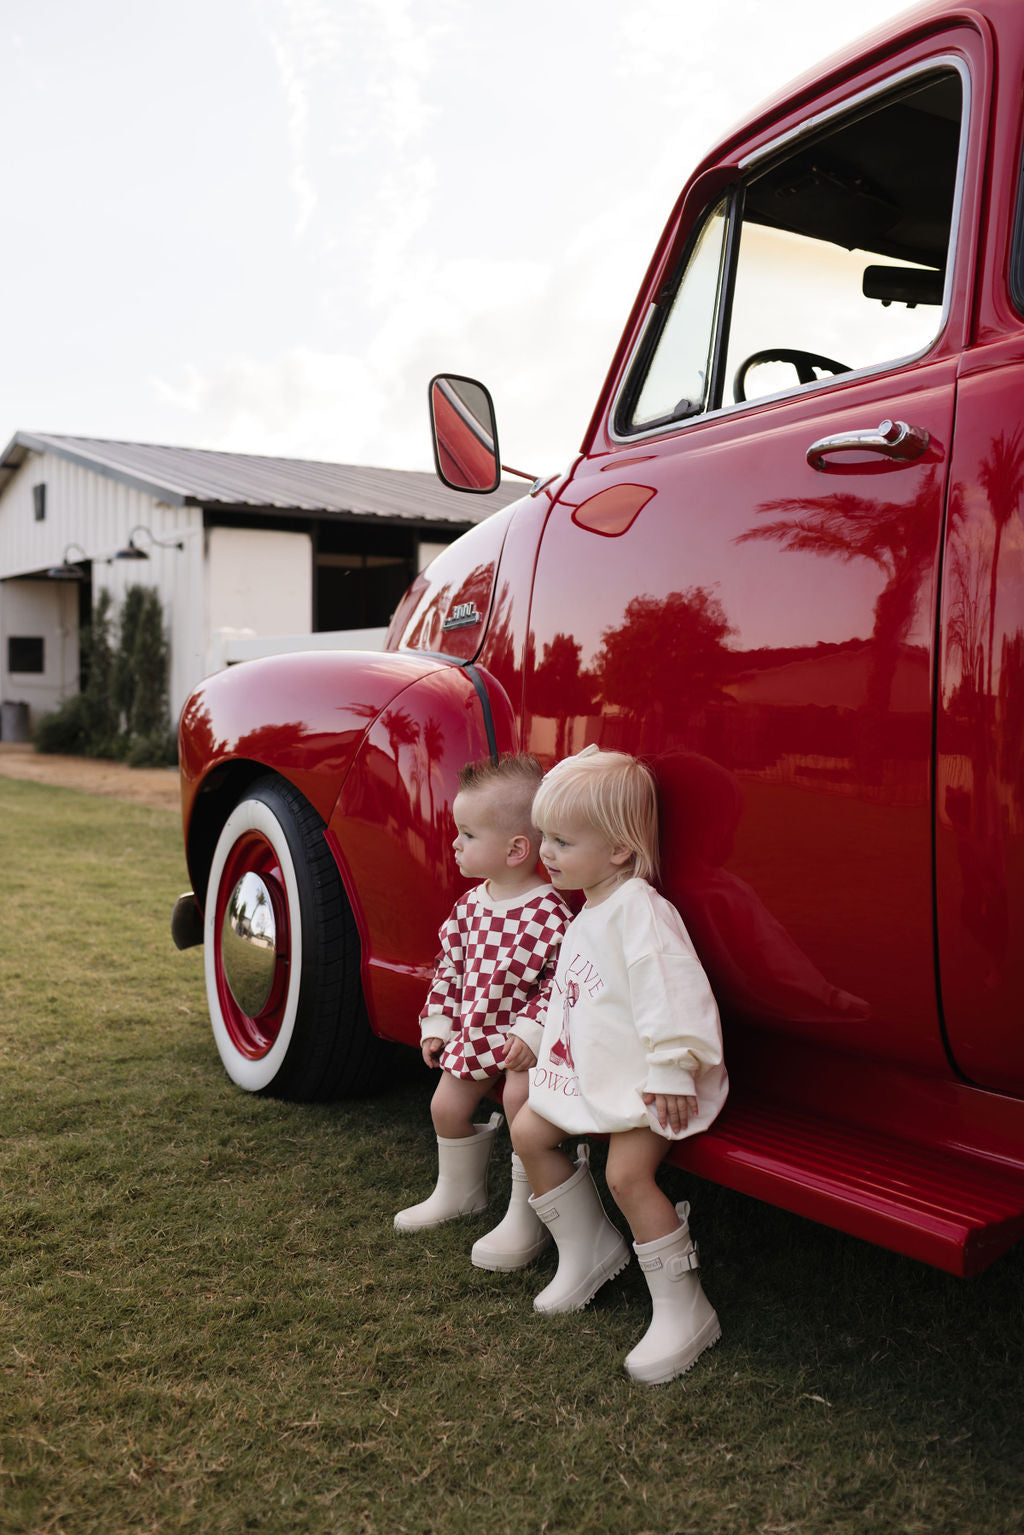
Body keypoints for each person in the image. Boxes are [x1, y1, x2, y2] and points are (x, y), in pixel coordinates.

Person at [511, 745, 728, 1385]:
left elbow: (671, 992)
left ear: (619, 852)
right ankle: (588, 1248)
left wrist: (671, 1067)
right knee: (526, 1129)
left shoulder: (640, 912)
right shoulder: (588, 909)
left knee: (629, 1175)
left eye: (562, 840)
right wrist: (532, 1025)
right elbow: (569, 990)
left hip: (650, 1080)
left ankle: (684, 1306)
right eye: (544, 835)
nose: (545, 851)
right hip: (591, 1070)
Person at [395, 752, 571, 1276]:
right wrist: (437, 1025)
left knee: (521, 1103)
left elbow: (560, 984)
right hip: (475, 1034)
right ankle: (459, 1192)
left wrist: (532, 1032)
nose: (455, 843)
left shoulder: (550, 912)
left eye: (468, 834)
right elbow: (448, 970)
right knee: (446, 1106)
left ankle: (528, 1212)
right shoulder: (470, 908)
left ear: (517, 849)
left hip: (522, 1043)